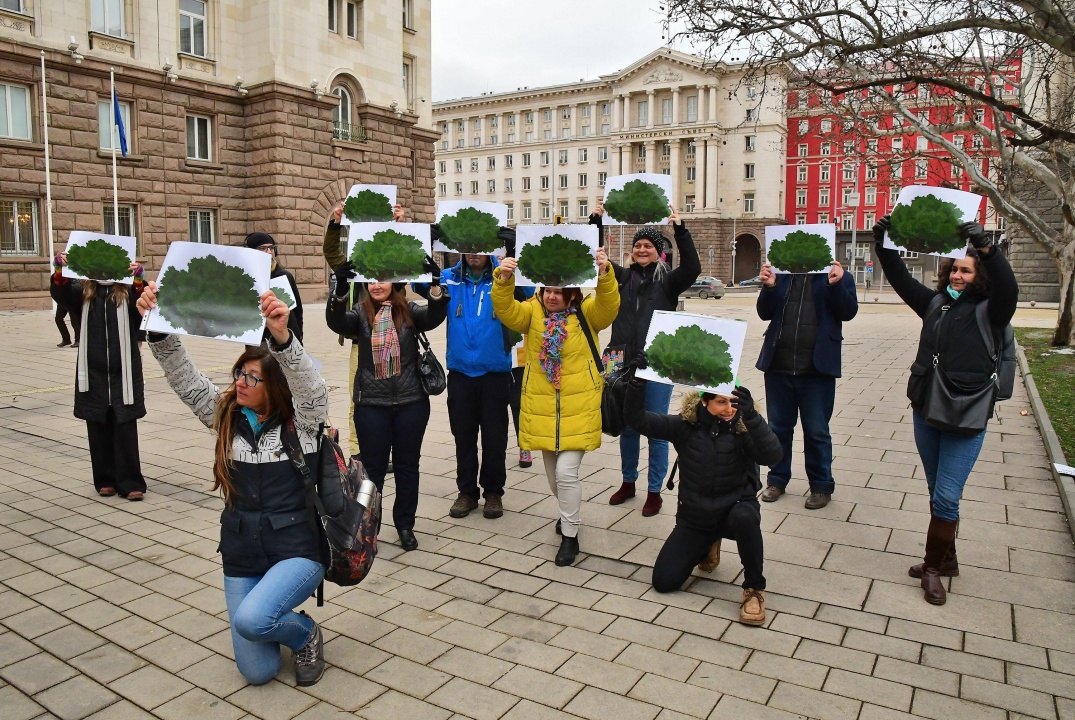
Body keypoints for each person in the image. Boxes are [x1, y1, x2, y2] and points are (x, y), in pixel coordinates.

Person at [136, 283, 329, 686]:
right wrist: (158, 329)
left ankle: (305, 633)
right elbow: (186, 381)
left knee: (254, 620)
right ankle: (277, 620)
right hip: (243, 550)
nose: (240, 382)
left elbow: (309, 386)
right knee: (258, 672)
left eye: (252, 378)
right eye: (239, 373)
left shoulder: (304, 424)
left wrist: (282, 336)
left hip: (295, 549)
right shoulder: (226, 417)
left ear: (274, 388)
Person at [873, 217, 1017, 605]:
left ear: (980, 276)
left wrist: (986, 247)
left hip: (967, 416)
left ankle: (933, 568)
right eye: (954, 268)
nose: (957, 275)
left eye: (966, 270)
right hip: (927, 409)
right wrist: (884, 240)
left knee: (946, 498)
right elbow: (900, 277)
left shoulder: (993, 310)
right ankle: (947, 558)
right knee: (938, 492)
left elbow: (1009, 286)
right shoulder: (934, 304)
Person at [624, 363, 782, 625]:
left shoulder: (743, 427)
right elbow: (638, 420)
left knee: (746, 517)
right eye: (722, 402)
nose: (729, 409)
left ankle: (754, 588)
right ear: (704, 401)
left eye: (733, 402)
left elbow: (773, 456)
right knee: (664, 582)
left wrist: (752, 415)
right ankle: (708, 543)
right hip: (695, 518)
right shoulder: (685, 426)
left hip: (733, 510)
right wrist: (637, 383)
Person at [491, 248, 619, 566]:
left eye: (558, 292)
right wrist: (503, 279)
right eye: (547, 290)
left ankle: (570, 536)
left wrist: (605, 274)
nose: (551, 297)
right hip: (543, 409)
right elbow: (506, 310)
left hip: (581, 407)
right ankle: (568, 514)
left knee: (566, 473)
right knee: (554, 481)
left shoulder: (586, 312)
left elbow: (608, 306)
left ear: (571, 293)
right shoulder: (532, 313)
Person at [325, 258, 448, 552]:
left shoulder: (408, 311)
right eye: (371, 280)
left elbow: (434, 316)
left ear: (395, 282)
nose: (377, 285)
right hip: (372, 405)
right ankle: (369, 527)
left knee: (407, 466)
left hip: (411, 403)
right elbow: (336, 323)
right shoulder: (360, 314)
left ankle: (405, 525)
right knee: (372, 471)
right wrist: (340, 289)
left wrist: (435, 286)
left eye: (383, 279)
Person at [589, 205, 701, 517]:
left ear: (658, 252)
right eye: (638, 245)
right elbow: (593, 256)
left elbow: (693, 267)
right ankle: (628, 482)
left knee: (655, 426)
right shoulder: (621, 276)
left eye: (648, 246)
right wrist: (595, 223)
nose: (641, 249)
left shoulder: (668, 282)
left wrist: (680, 230)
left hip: (658, 361)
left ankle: (655, 490)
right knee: (625, 425)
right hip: (617, 358)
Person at [755, 257, 858, 509]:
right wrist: (769, 287)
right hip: (779, 366)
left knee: (817, 432)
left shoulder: (835, 275)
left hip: (817, 370)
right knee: (778, 429)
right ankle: (777, 479)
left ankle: (821, 485)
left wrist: (837, 285)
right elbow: (764, 313)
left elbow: (848, 311)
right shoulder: (782, 275)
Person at [51, 252, 148, 500]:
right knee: (98, 424)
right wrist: (60, 270)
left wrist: (138, 279)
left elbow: (144, 306)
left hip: (123, 369)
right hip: (92, 369)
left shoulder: (126, 292)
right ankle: (105, 480)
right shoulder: (83, 291)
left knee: (125, 425)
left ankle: (130, 482)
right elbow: (61, 294)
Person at [434, 247, 516, 521]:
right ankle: (467, 492)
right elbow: (418, 281)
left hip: (494, 372)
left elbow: (528, 292)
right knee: (463, 436)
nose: (474, 254)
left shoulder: (502, 277)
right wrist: (423, 243)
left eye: (480, 249)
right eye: (468, 249)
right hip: (460, 373)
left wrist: (514, 254)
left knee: (495, 436)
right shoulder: (450, 279)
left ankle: (493, 492)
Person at [323, 202, 406, 464]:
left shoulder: (394, 267)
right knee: (358, 399)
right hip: (361, 343)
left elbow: (410, 254)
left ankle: (387, 451)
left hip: (392, 339)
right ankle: (358, 452)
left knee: (391, 401)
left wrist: (398, 226)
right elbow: (330, 252)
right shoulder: (355, 266)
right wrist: (336, 224)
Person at [246, 232, 304, 345]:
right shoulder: (245, 278)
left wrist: (299, 336)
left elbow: (297, 311)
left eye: (271, 248)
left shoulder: (285, 276)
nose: (268, 252)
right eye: (262, 248)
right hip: (258, 342)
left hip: (287, 338)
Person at [51, 253, 82, 347]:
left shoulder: (75, 272)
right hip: (63, 299)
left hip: (73, 299)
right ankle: (66, 339)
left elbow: (77, 285)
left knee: (75, 320)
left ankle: (78, 340)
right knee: (58, 318)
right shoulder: (59, 272)